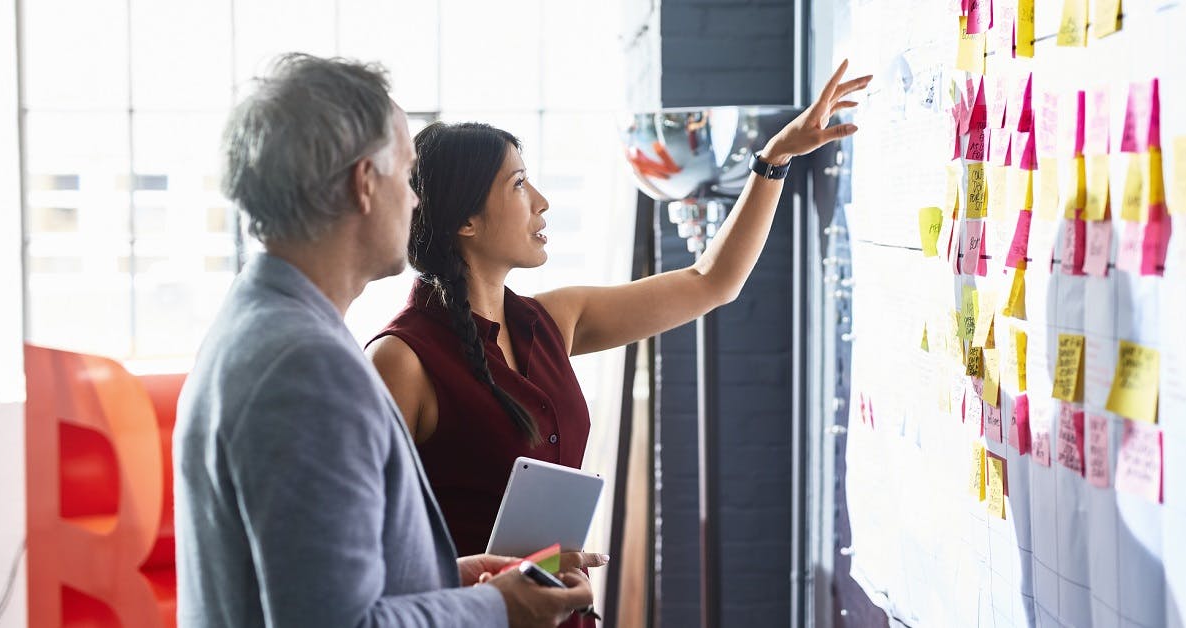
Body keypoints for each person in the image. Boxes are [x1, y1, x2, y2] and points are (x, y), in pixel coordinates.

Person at [366, 59, 872, 616]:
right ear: (467, 222)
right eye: (517, 184)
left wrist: (773, 160)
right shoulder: (401, 361)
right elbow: (367, 550)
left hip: (561, 611)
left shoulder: (551, 320)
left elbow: (711, 282)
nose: (541, 200)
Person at [173, 53, 595, 628]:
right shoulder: (304, 367)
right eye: (407, 175)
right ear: (364, 183)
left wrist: (449, 581)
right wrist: (497, 608)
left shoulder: (267, 324)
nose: (418, 200)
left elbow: (319, 585)